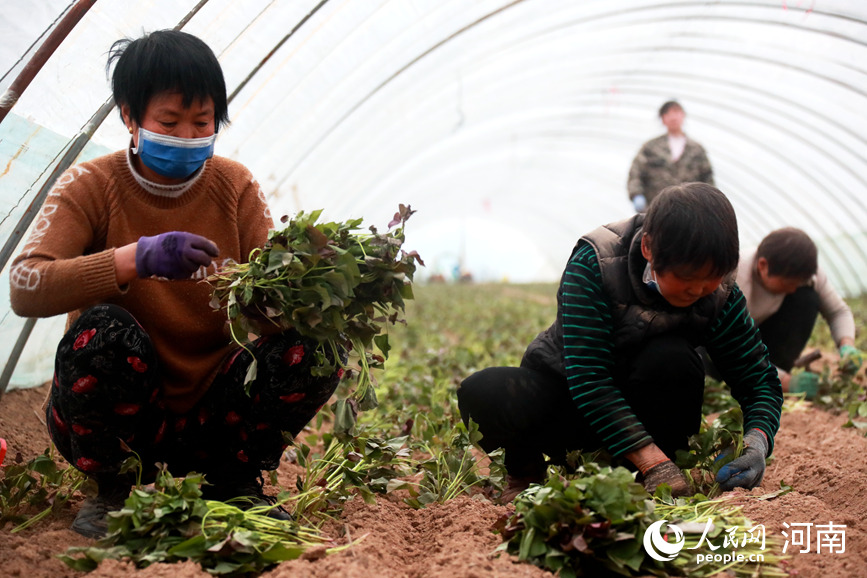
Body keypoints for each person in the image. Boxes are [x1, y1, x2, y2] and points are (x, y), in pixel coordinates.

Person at [9, 30, 343, 539]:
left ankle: (230, 482)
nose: (187, 137)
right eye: (169, 122)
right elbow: (26, 286)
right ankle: (114, 489)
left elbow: (278, 311)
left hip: (215, 420)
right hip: (124, 419)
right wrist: (133, 259)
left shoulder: (235, 186)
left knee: (318, 344)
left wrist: (296, 285)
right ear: (129, 116)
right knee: (102, 331)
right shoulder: (90, 186)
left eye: (202, 123)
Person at [457, 183, 783, 502]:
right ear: (648, 249)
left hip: (651, 415)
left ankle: (651, 477)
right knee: (485, 391)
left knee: (672, 358)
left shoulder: (720, 292)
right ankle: (526, 476)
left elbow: (758, 380)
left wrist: (756, 445)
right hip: (572, 408)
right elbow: (588, 377)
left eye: (711, 279)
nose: (698, 291)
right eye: (687, 278)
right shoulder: (595, 263)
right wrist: (653, 462)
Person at [734, 227, 862, 398]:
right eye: (788, 282)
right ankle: (769, 379)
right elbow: (734, 348)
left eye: (798, 282)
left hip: (760, 340)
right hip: (724, 354)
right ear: (763, 265)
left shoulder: (809, 273)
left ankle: (777, 370)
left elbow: (838, 312)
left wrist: (847, 344)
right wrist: (787, 382)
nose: (793, 288)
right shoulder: (735, 277)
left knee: (807, 297)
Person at [627, 101, 714, 213]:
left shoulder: (696, 150)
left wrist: (709, 203)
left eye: (676, 112)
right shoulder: (651, 148)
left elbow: (707, 179)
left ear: (683, 115)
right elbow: (635, 173)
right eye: (667, 114)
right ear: (662, 119)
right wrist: (637, 195)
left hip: (690, 211)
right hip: (656, 209)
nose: (673, 117)